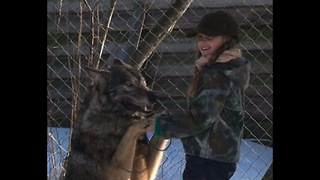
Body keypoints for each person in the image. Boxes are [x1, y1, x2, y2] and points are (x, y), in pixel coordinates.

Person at [145, 10, 251, 180]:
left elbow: (200, 119)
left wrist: (159, 125)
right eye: (200, 37)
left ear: (227, 40)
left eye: (210, 38)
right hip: (217, 156)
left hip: (208, 159)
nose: (203, 42)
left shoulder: (217, 75)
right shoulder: (227, 69)